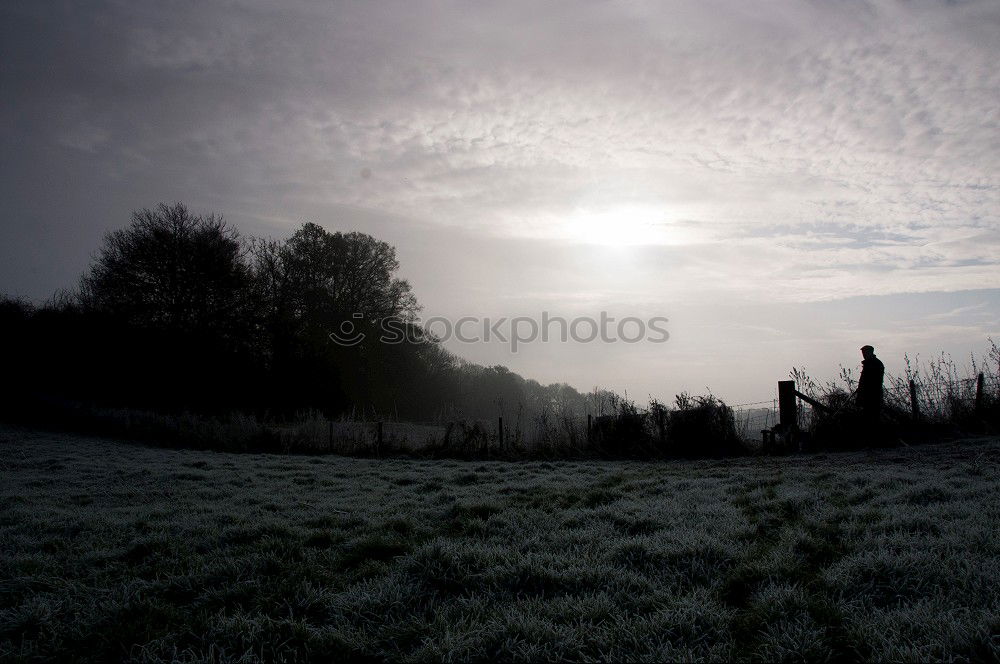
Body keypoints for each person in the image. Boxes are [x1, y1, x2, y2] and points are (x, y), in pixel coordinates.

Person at [857, 345, 885, 432]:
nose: (863, 354)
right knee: (868, 418)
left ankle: (874, 441)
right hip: (867, 395)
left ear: (870, 352)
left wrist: (863, 390)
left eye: (865, 352)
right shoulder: (869, 364)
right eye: (863, 353)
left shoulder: (875, 364)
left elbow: (874, 381)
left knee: (873, 418)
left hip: (873, 395)